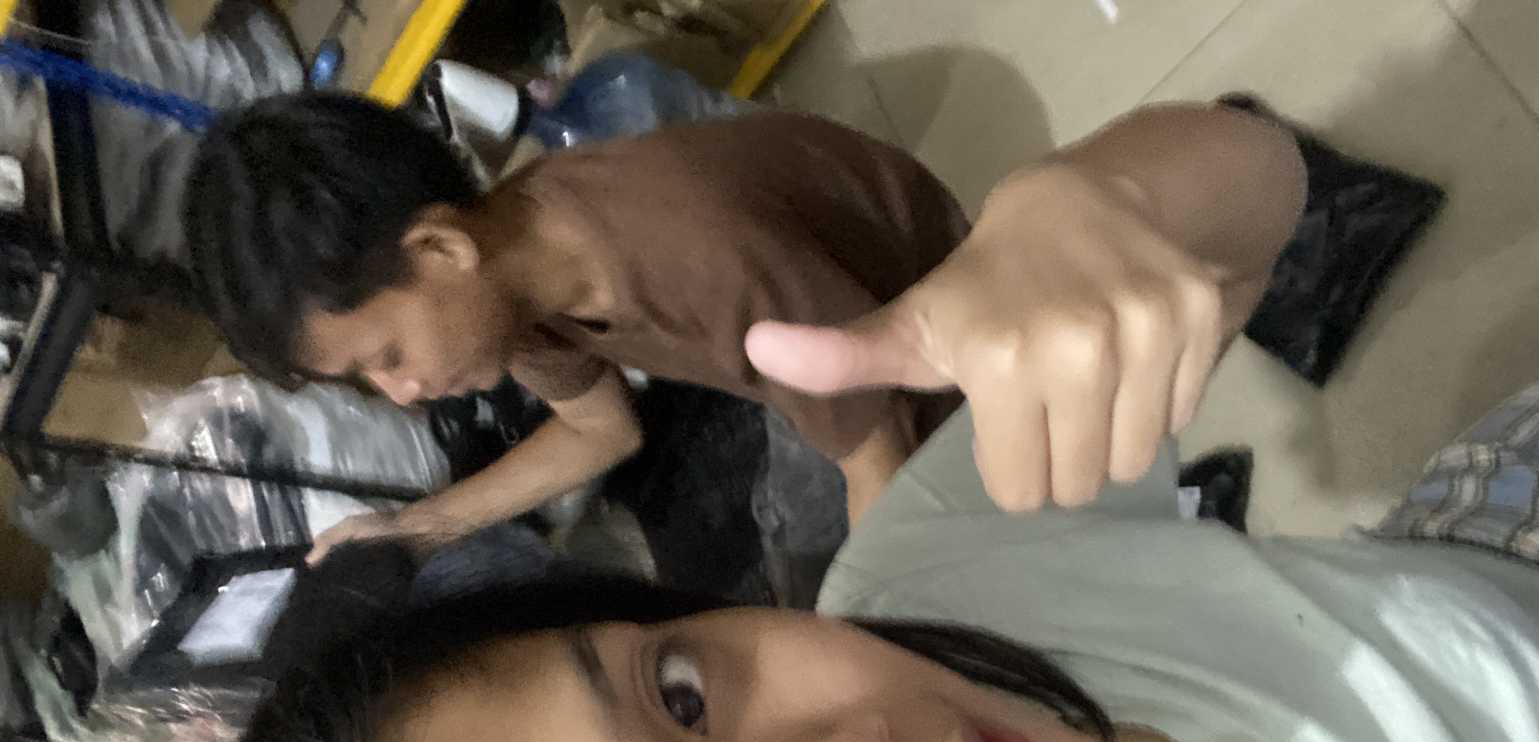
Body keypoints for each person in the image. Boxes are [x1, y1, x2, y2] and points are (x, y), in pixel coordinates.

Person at [120, 104, 1539, 742]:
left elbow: (1256, 189)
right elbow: (602, 434)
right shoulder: (541, 328)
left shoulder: (937, 581)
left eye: (680, 693)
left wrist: (1105, 196)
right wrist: (426, 524)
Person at [184, 95, 1295, 565]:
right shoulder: (511, 283)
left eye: (384, 359)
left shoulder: (688, 251)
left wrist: (881, 645)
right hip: (804, 365)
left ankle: (1164, 513)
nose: (402, 393)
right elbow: (602, 431)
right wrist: (420, 526)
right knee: (799, 561)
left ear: (437, 251)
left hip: (916, 324)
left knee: (869, 587)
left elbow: (874, 450)